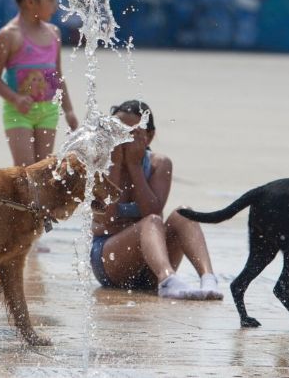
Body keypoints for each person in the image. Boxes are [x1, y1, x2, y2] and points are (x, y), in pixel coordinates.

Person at [90, 100, 223, 301]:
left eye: (131, 133)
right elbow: (106, 218)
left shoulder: (159, 164)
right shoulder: (100, 164)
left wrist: (135, 167)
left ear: (148, 136)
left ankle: (208, 279)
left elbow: (152, 210)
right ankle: (168, 280)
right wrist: (117, 164)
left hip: (151, 266)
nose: (122, 140)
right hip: (111, 262)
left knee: (183, 213)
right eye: (117, 132)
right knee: (151, 222)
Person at [0, 0, 78, 167]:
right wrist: (15, 98)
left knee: (43, 170)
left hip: (48, 111)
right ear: (30, 1)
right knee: (24, 171)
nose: (55, 5)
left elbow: (57, 76)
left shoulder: (54, 33)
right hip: (18, 112)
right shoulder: (8, 36)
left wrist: (69, 110)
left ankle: (38, 201)